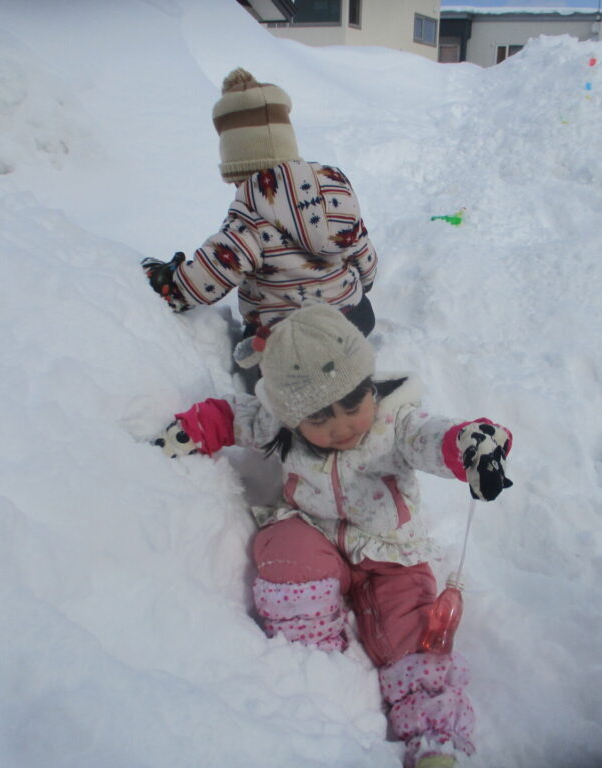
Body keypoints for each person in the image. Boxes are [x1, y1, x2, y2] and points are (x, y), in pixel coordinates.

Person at [151, 304, 513, 768]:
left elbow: (436, 437)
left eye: (352, 406)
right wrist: (188, 430)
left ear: (369, 386)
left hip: (392, 552)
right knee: (282, 546)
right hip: (315, 532)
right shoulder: (278, 421)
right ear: (291, 414)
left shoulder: (395, 423)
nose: (341, 426)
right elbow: (230, 416)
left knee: (414, 632)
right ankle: (313, 651)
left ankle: (434, 737)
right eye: (319, 420)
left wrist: (474, 449)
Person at [141, 67, 378, 340]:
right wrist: (362, 285)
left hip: (291, 341)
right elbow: (365, 257)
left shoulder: (250, 217)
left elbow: (207, 278)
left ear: (238, 169)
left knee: (251, 353)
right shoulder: (334, 194)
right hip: (355, 319)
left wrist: (167, 284)